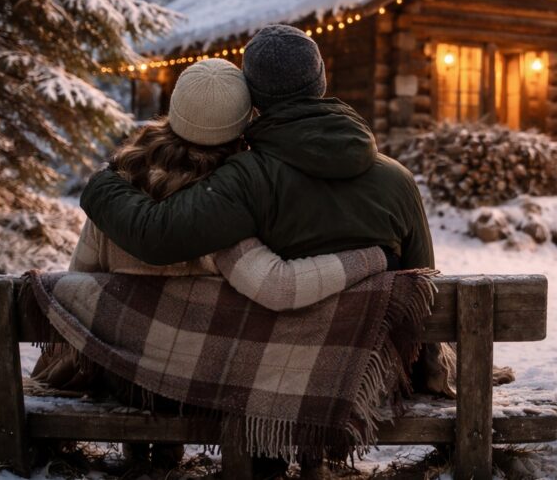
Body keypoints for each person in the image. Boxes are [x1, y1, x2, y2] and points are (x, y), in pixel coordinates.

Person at [34, 58, 391, 472]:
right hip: (206, 390)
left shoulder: (121, 184)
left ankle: (146, 455)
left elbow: (83, 281)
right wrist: (375, 256)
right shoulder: (226, 206)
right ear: (243, 120)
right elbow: (279, 286)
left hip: (126, 381)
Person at [79, 24, 433, 275]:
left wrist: (100, 184)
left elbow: (155, 237)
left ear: (252, 96)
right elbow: (424, 286)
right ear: (321, 79)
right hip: (382, 371)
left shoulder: (248, 179)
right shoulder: (398, 180)